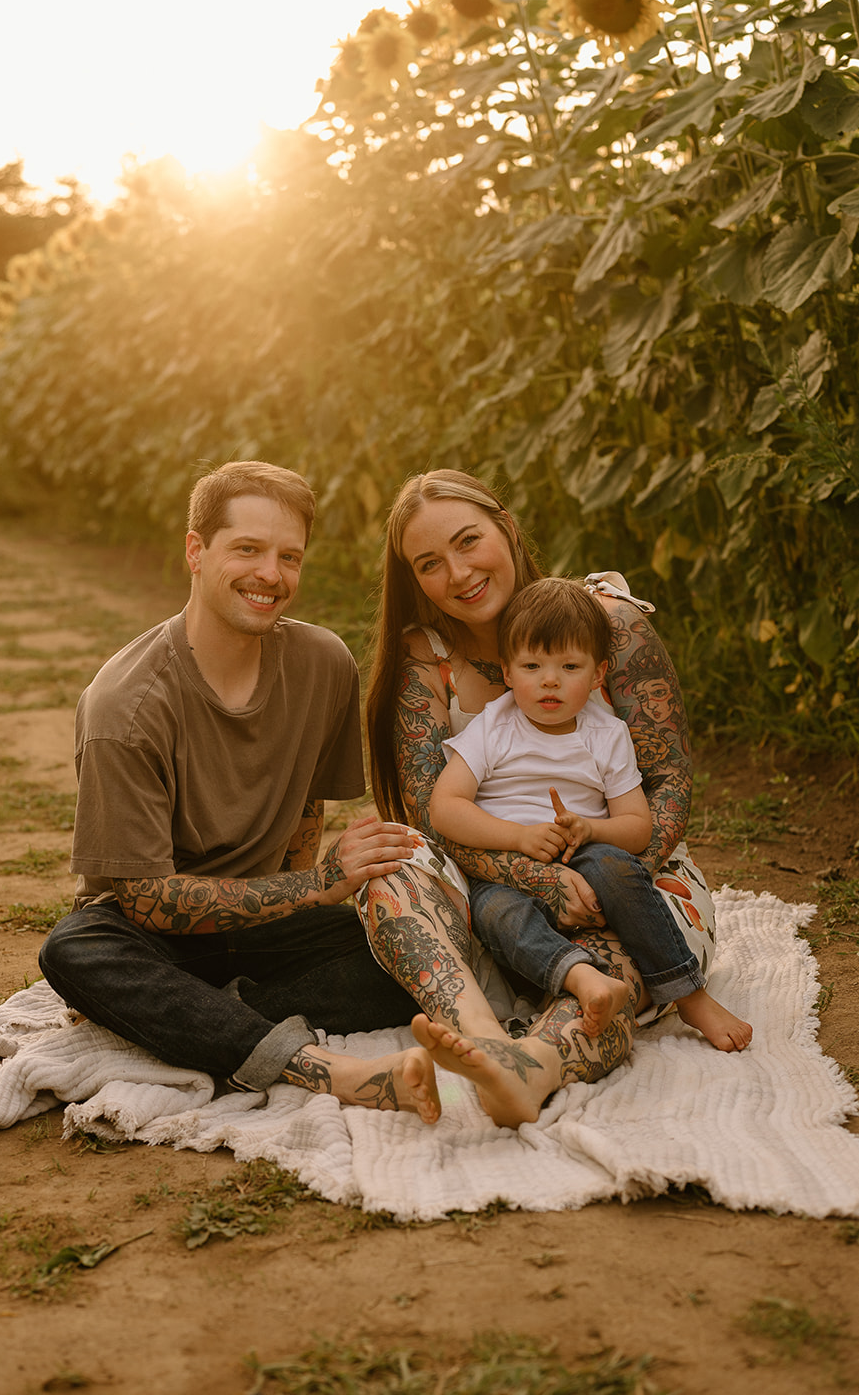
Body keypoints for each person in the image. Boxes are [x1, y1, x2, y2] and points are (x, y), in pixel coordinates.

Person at [38, 461, 443, 1123]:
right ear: (196, 551)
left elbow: (306, 813)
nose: (271, 575)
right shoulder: (126, 706)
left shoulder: (323, 665)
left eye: (289, 556)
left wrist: (302, 907)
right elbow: (148, 902)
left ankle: (192, 1017)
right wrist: (313, 887)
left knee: (415, 939)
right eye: (248, 549)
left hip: (265, 931)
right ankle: (331, 1071)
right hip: (151, 936)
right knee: (74, 949)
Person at [363, 469, 737, 1124]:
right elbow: (434, 813)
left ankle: (533, 1064)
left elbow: (669, 782)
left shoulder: (604, 623)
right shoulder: (426, 661)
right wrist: (537, 877)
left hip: (624, 874)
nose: (456, 572)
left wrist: (611, 879)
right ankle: (476, 1033)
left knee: (613, 973)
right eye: (429, 563)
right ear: (413, 579)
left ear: (505, 529)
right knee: (389, 865)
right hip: (497, 881)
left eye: (467, 541)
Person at [428, 576, 752, 1050]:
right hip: (506, 869)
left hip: (586, 857)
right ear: (509, 670)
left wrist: (591, 828)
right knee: (495, 912)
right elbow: (445, 808)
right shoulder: (493, 727)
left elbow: (638, 827)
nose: (550, 679)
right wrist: (517, 838)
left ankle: (687, 993)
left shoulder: (606, 734)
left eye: (569, 665)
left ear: (599, 675)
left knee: (617, 867)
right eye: (532, 665)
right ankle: (582, 978)